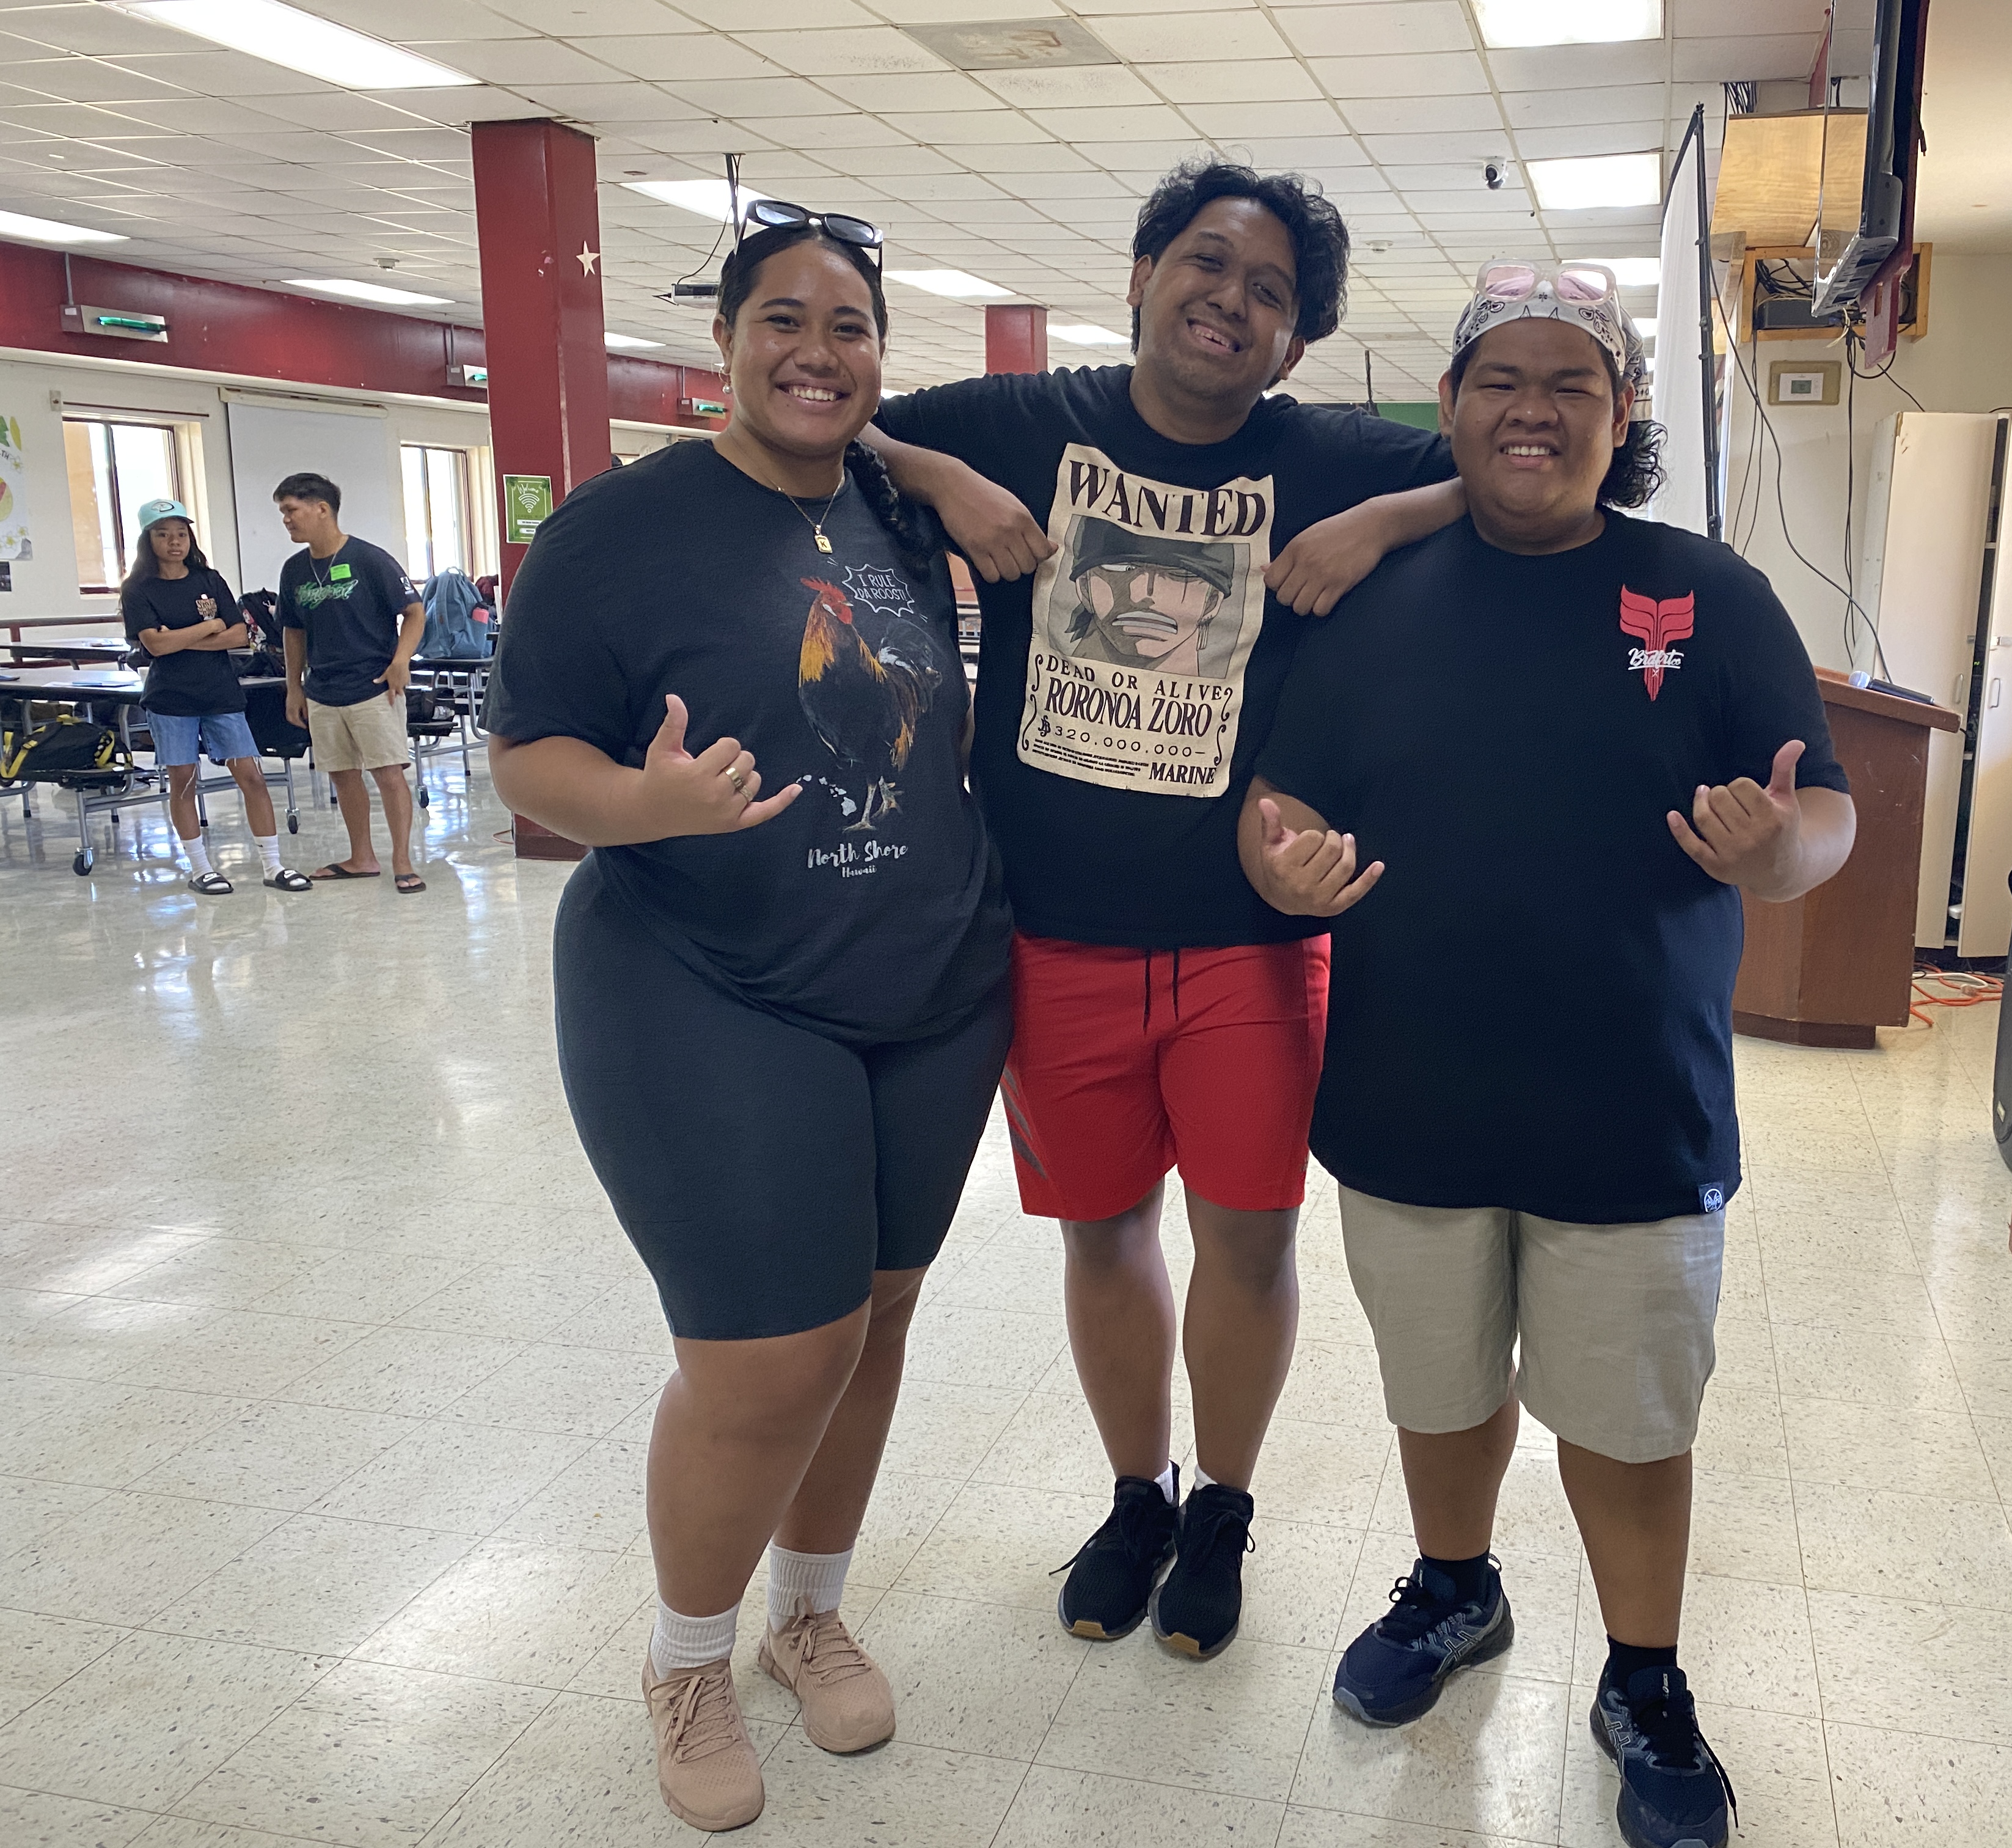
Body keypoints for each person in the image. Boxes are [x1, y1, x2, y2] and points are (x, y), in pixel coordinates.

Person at [1240, 263, 1856, 1848]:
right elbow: (1278, 805)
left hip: (1630, 1107)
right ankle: (1456, 1592)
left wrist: (1775, 848)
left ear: (1623, 413)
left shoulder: (1706, 593)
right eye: (1500, 379)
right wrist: (1283, 861)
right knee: (1439, 1394)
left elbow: (1824, 819)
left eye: (1571, 382)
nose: (1533, 407)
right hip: (1408, 1097)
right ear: (1449, 410)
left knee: (1632, 1423)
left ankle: (1644, 1679)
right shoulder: (1372, 600)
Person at [862, 158, 1465, 1661]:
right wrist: (939, 485)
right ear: (1140, 276)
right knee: (1102, 1235)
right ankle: (1139, 1495)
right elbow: (823, 428)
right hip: (1053, 937)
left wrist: (1384, 526)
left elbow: (1546, 468)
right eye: (1207, 264)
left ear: (1298, 341)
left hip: (1252, 947)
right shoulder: (1013, 423)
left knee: (1248, 1240)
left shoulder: (1328, 454)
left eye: (1270, 293)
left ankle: (1227, 1509)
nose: (1231, 302)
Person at [485, 205, 1011, 1835]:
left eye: (849, 326)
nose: (816, 352)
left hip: (927, 987)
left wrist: (937, 472)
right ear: (722, 340)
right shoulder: (615, 531)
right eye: (782, 320)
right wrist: (643, 804)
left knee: (876, 1320)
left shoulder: (886, 501)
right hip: (705, 981)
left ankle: (807, 1611)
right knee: (767, 1356)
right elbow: (530, 760)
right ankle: (688, 1658)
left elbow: (892, 488)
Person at [122, 501, 311, 894]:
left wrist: (177, 637)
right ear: (148, 539)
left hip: (221, 694)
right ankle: (200, 868)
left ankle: (273, 864)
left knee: (252, 778)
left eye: (180, 533)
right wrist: (206, 628)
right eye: (163, 534)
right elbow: (154, 646)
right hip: (170, 698)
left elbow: (239, 635)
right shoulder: (138, 588)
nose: (174, 542)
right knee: (184, 782)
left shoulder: (209, 579)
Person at [271, 472, 428, 892]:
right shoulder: (294, 571)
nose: (286, 520)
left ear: (321, 509)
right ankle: (362, 856)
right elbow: (293, 631)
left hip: (374, 684)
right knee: (342, 774)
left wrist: (401, 661)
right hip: (323, 689)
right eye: (283, 512)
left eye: (291, 510)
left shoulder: (368, 559)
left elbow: (414, 612)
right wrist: (294, 686)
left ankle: (402, 859)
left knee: (388, 773)